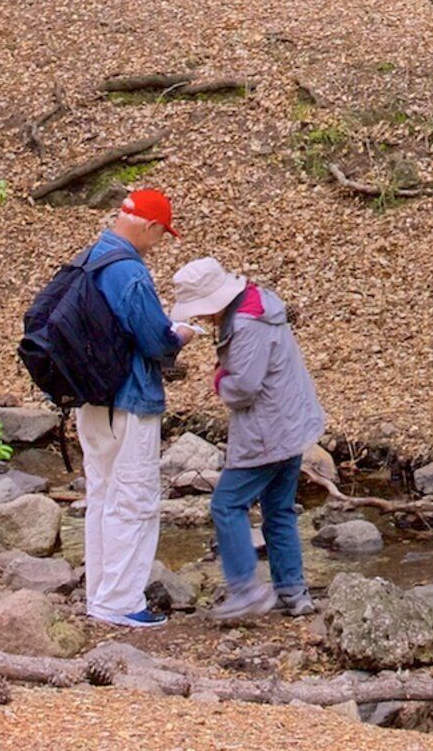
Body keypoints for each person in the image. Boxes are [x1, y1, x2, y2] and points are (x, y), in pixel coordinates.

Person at [165, 254, 324, 621]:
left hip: (268, 431)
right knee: (279, 509)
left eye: (202, 310)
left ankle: (246, 591)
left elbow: (245, 388)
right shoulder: (261, 304)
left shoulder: (247, 324)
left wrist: (220, 379)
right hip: (293, 422)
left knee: (226, 505)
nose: (203, 318)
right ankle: (293, 591)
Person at [72, 185, 185, 627]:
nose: (158, 244)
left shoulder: (90, 258)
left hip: (91, 398)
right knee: (134, 499)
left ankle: (100, 596)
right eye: (161, 234)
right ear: (151, 226)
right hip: (130, 399)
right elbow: (156, 341)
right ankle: (120, 603)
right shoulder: (130, 272)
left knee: (101, 495)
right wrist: (180, 336)